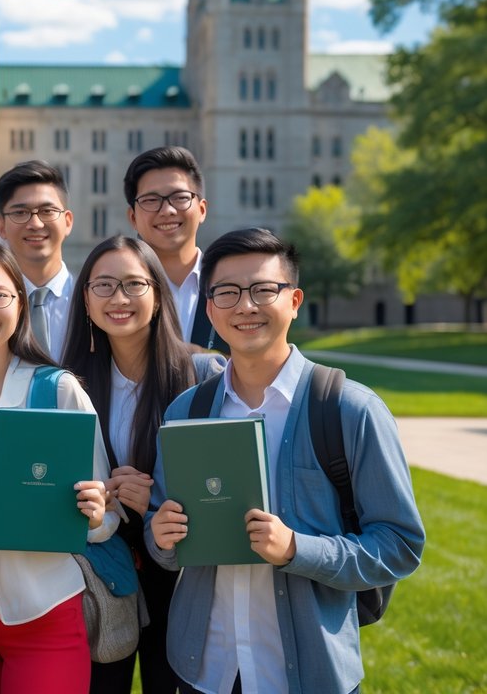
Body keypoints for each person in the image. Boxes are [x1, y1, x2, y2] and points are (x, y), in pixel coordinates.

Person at [146, 228, 425, 694]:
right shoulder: (186, 411)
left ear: (294, 300)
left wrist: (298, 548)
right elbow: (163, 535)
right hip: (204, 668)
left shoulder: (349, 410)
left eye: (263, 290)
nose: (245, 306)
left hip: (308, 672)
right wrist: (162, 536)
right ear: (210, 308)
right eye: (228, 293)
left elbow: (399, 544)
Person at [0, 239, 118, 694]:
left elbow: (106, 515)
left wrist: (95, 513)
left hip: (46, 608)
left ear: (19, 305)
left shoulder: (58, 391)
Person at [61, 235, 224, 693]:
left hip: (181, 575)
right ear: (86, 297)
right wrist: (99, 497)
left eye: (134, 284)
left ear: (157, 293)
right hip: (99, 572)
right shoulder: (64, 384)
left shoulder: (203, 376)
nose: (118, 298)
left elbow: (223, 484)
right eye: (104, 285)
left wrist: (153, 500)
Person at [123, 147, 226, 353]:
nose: (167, 211)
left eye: (180, 197)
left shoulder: (232, 287)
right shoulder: (115, 291)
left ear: (202, 210)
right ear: (133, 217)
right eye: (151, 200)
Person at [0, 161, 75, 362]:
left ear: (67, 222)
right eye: (20, 213)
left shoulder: (93, 301)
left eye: (47, 211)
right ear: (1, 226)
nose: (35, 224)